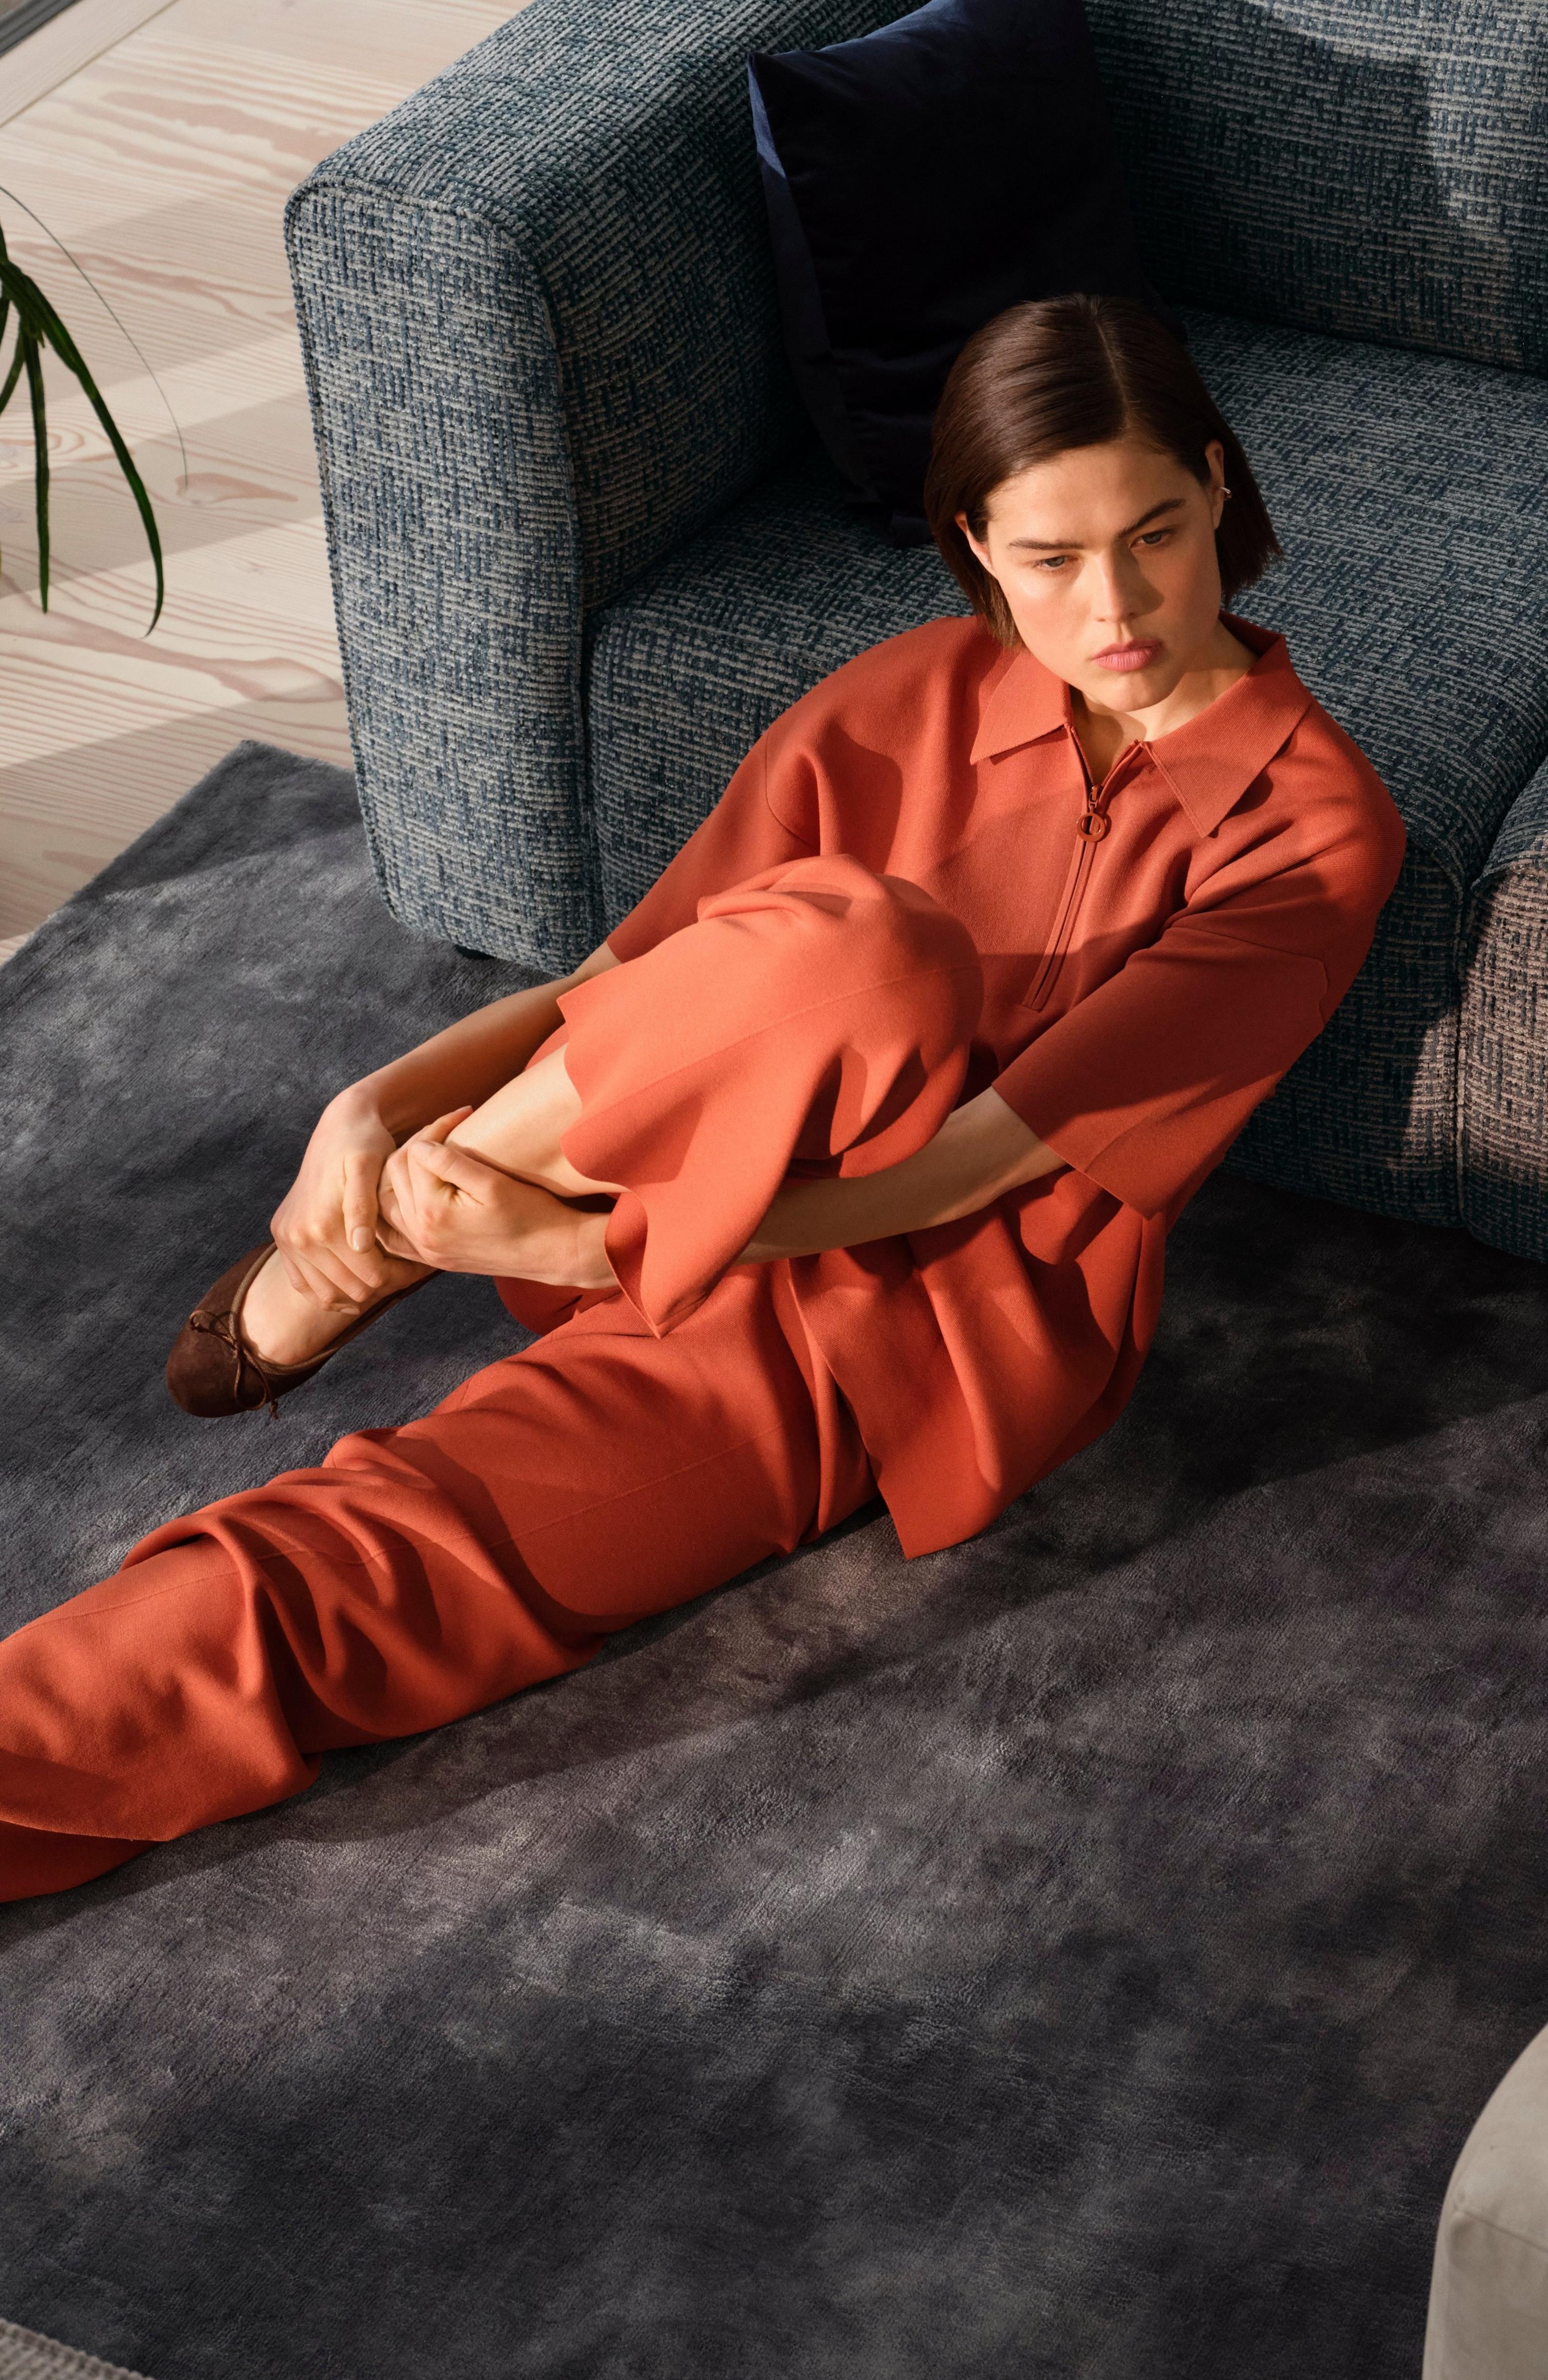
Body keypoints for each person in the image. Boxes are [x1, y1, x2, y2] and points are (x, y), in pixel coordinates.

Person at [0, 295, 1405, 1905]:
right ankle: (380, 1238)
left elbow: (975, 1168)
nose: (1116, 608)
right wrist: (371, 1107)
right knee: (853, 951)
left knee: (350, 1578)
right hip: (615, 1161)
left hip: (888, 1315)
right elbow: (626, 978)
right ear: (973, 542)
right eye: (1048, 561)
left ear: (1222, 488)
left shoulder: (1314, 835)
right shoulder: (913, 695)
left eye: (1154, 534)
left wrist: (611, 1257)